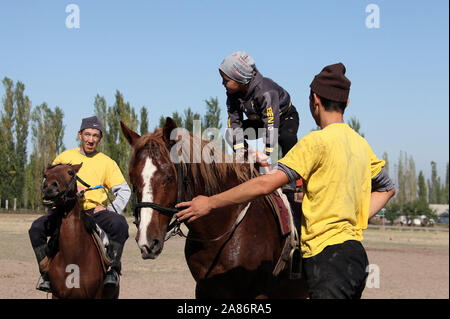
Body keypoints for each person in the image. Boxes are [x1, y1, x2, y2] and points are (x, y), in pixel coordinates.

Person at [175, 63, 396, 299]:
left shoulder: (315, 143)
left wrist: (210, 203)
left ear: (314, 100)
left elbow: (265, 184)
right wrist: (355, 219)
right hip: (355, 256)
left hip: (327, 260)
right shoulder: (361, 144)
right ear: (347, 103)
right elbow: (387, 188)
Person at [29, 116, 131, 292]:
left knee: (120, 224)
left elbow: (124, 191)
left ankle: (112, 270)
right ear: (80, 134)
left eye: (95, 136)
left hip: (94, 211)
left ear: (100, 138)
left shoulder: (107, 162)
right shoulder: (64, 157)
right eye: (87, 134)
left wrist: (109, 208)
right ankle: (46, 273)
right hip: (64, 211)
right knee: (36, 229)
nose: (91, 139)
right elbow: (51, 182)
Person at [220, 51, 300, 192]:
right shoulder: (232, 94)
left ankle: (292, 180)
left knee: (287, 137)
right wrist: (239, 149)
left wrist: (267, 152)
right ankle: (247, 165)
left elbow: (271, 122)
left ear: (240, 79)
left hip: (283, 118)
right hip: (259, 120)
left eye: (226, 80)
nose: (222, 83)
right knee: (230, 134)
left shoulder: (265, 92)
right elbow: (234, 120)